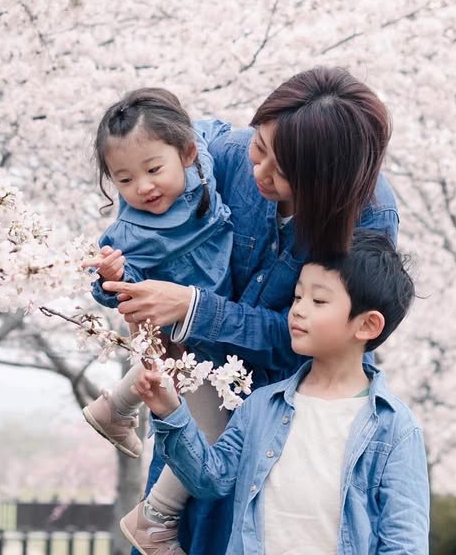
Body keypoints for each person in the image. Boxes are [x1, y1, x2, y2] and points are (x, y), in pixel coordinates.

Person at [101, 67, 401, 554]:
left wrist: (197, 308)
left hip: (285, 419)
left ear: (330, 182)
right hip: (196, 399)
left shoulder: (367, 219)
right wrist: (138, 275)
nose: (259, 172)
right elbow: (148, 165)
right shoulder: (224, 153)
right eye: (260, 149)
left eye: (283, 173)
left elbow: (329, 338)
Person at [133, 229, 430, 555]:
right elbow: (209, 479)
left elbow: (405, 544)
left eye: (318, 300)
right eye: (297, 297)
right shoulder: (261, 406)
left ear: (366, 325)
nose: (299, 310)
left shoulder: (395, 429)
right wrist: (170, 412)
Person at [81, 87, 235, 555]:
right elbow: (109, 284)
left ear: (186, 154)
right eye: (124, 179)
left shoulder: (203, 157)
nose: (143, 187)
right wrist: (111, 275)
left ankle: (113, 409)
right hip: (180, 329)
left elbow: (210, 130)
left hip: (203, 320)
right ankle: (156, 517)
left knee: (189, 395)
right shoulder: (132, 231)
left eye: (153, 170)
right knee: (211, 427)